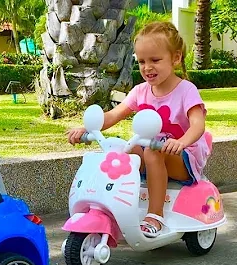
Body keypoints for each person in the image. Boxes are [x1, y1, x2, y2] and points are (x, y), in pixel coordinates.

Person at [66, 21, 212, 238]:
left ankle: (156, 215)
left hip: (182, 156)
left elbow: (198, 124)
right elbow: (114, 115)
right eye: (141, 61)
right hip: (153, 152)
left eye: (155, 60)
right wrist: (86, 128)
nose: (147, 67)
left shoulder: (185, 90)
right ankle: (117, 206)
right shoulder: (140, 91)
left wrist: (181, 142)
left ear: (176, 58)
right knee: (121, 147)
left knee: (153, 151)